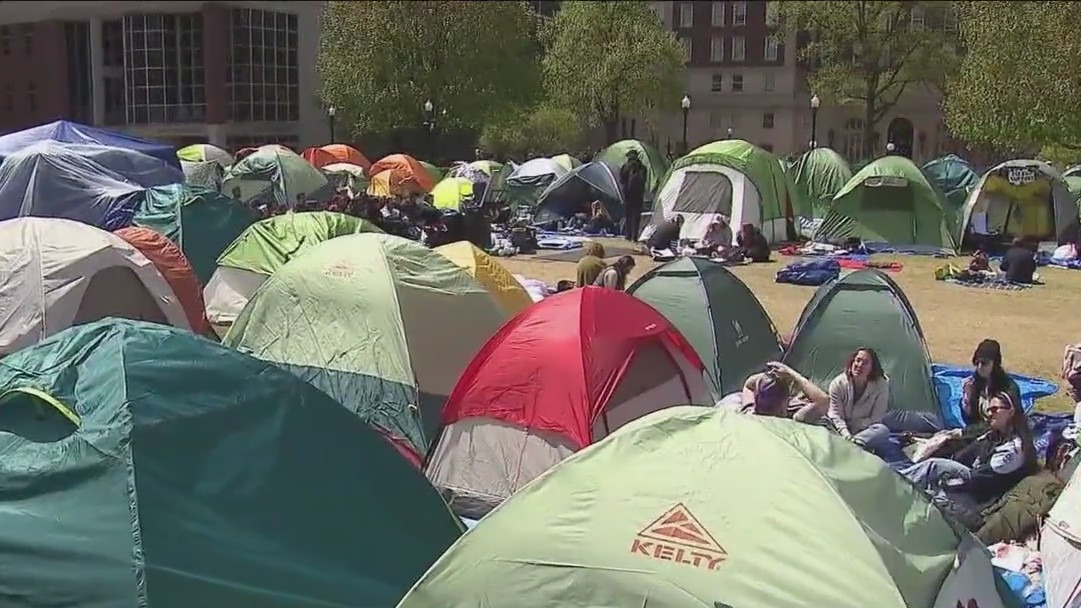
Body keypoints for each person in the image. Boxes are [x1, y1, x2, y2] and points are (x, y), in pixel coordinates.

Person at [900, 391, 1037, 530]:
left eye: (995, 409)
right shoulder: (993, 435)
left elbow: (978, 478)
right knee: (925, 486)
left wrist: (947, 473)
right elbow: (965, 453)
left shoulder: (1014, 449)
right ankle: (897, 483)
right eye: (988, 410)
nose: (990, 414)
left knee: (933, 471)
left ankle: (895, 482)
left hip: (979, 500)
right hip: (970, 487)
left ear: (1011, 411)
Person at [826, 348, 891, 452]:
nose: (859, 365)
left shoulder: (881, 385)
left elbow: (876, 417)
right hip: (840, 429)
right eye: (858, 360)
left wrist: (857, 427)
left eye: (865, 363)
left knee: (883, 431)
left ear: (872, 368)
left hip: (864, 431)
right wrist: (847, 435)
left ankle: (852, 446)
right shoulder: (837, 384)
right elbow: (836, 415)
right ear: (852, 362)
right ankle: (853, 447)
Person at [739, 361, 829, 422]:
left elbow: (748, 384)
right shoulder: (795, 421)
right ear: (782, 409)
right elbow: (824, 401)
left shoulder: (749, 415)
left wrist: (768, 376)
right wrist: (792, 374)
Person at [619, 151, 647, 241]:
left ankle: (628, 235)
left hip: (628, 194)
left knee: (628, 215)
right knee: (636, 215)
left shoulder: (626, 166)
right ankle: (635, 236)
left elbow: (622, 180)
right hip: (639, 194)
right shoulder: (642, 167)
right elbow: (644, 180)